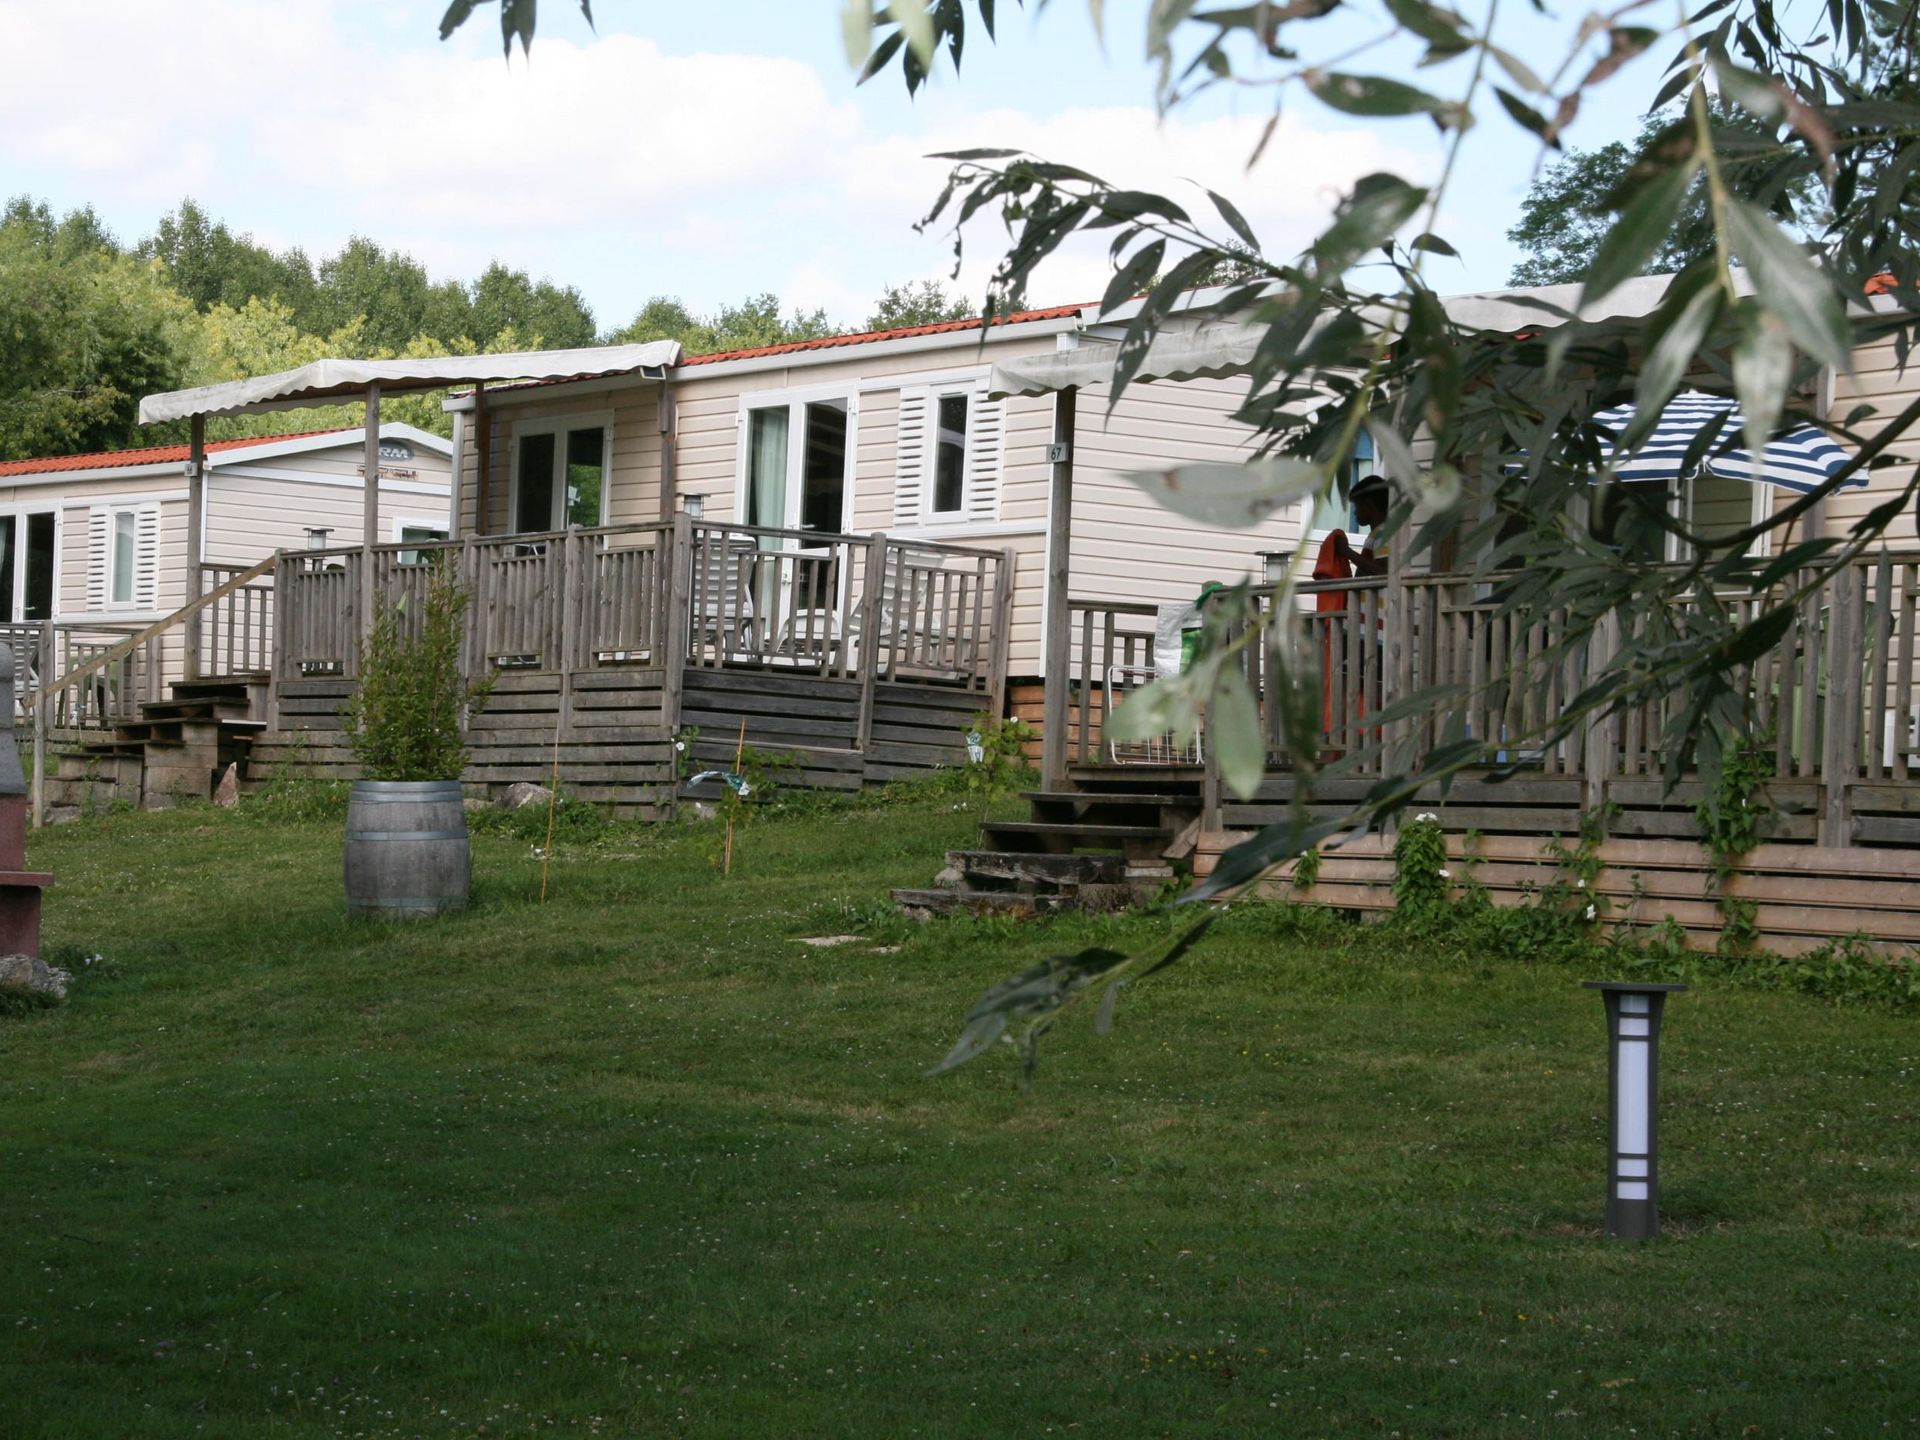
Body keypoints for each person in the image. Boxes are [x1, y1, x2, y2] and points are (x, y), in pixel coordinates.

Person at [1331, 474, 1391, 578]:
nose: (1355, 512)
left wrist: (1346, 551)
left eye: (1357, 505)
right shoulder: (1376, 534)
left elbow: (1382, 571)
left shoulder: (1383, 533)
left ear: (1368, 505)